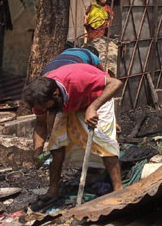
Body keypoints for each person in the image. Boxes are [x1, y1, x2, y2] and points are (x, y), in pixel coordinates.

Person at [25, 64, 123, 210]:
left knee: (104, 143)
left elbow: (116, 83)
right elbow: (40, 125)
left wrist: (93, 107)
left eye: (46, 107)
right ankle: (53, 190)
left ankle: (118, 190)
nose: (44, 110)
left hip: (98, 97)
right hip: (69, 104)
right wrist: (37, 151)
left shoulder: (76, 80)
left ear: (55, 94)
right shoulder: (40, 98)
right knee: (56, 144)